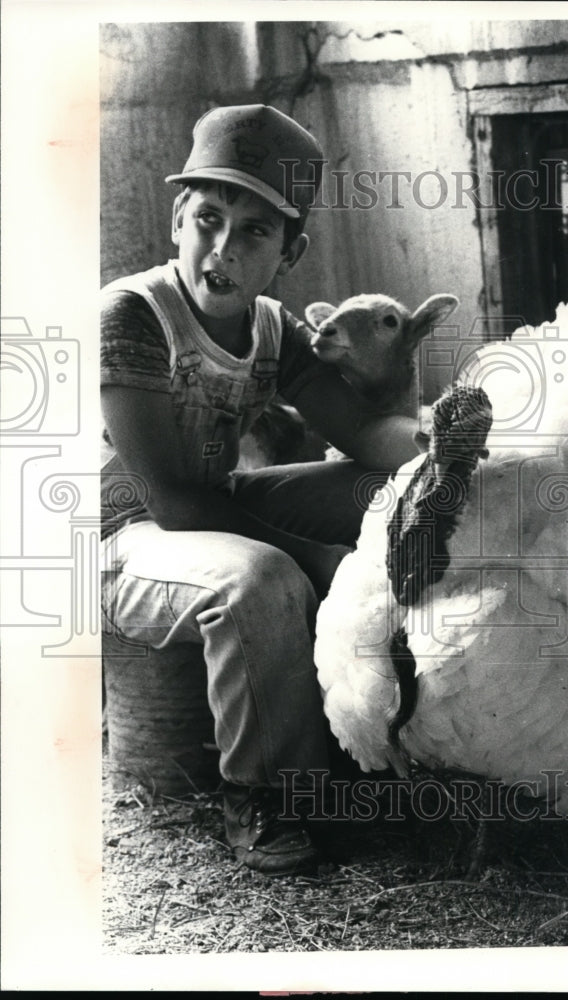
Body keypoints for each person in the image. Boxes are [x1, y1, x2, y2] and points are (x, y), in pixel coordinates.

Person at [100, 104, 420, 875]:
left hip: (214, 508)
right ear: (178, 217)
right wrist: (319, 558)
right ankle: (265, 794)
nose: (223, 248)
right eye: (208, 218)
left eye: (254, 233)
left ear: (290, 251)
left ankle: (388, 734)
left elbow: (370, 440)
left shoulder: (271, 328)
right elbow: (172, 501)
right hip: (120, 536)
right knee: (265, 575)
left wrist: (451, 436)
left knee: (387, 492)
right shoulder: (134, 315)